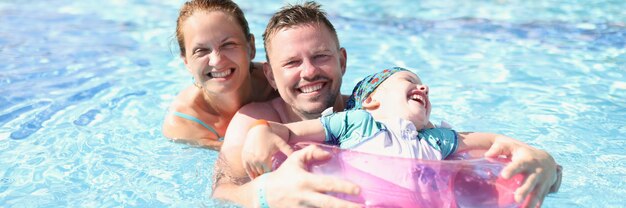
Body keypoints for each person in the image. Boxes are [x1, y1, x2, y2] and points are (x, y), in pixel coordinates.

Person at [213, 2, 561, 208]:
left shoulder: (372, 116)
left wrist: (545, 164)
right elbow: (221, 192)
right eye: (291, 63)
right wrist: (266, 193)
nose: (309, 72)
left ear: (343, 62)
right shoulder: (252, 122)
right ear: (271, 75)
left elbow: (473, 147)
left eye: (320, 56)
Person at [241, 67, 554, 180]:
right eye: (409, 81)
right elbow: (288, 132)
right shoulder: (357, 122)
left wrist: (521, 149)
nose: (424, 88)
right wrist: (260, 133)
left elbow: (484, 141)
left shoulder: (435, 140)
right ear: (372, 100)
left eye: (423, 85)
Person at [161, 0, 277, 150]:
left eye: (228, 44)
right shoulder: (184, 125)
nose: (217, 61)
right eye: (201, 51)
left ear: (251, 47)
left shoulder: (278, 84)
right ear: (187, 62)